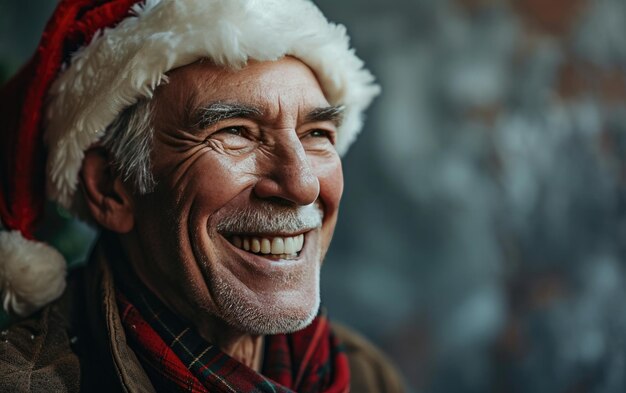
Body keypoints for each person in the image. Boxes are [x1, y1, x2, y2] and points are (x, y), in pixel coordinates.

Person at [0, 0, 404, 391]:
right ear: (111, 188)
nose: (302, 185)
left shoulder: (364, 373)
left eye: (317, 134)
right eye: (235, 132)